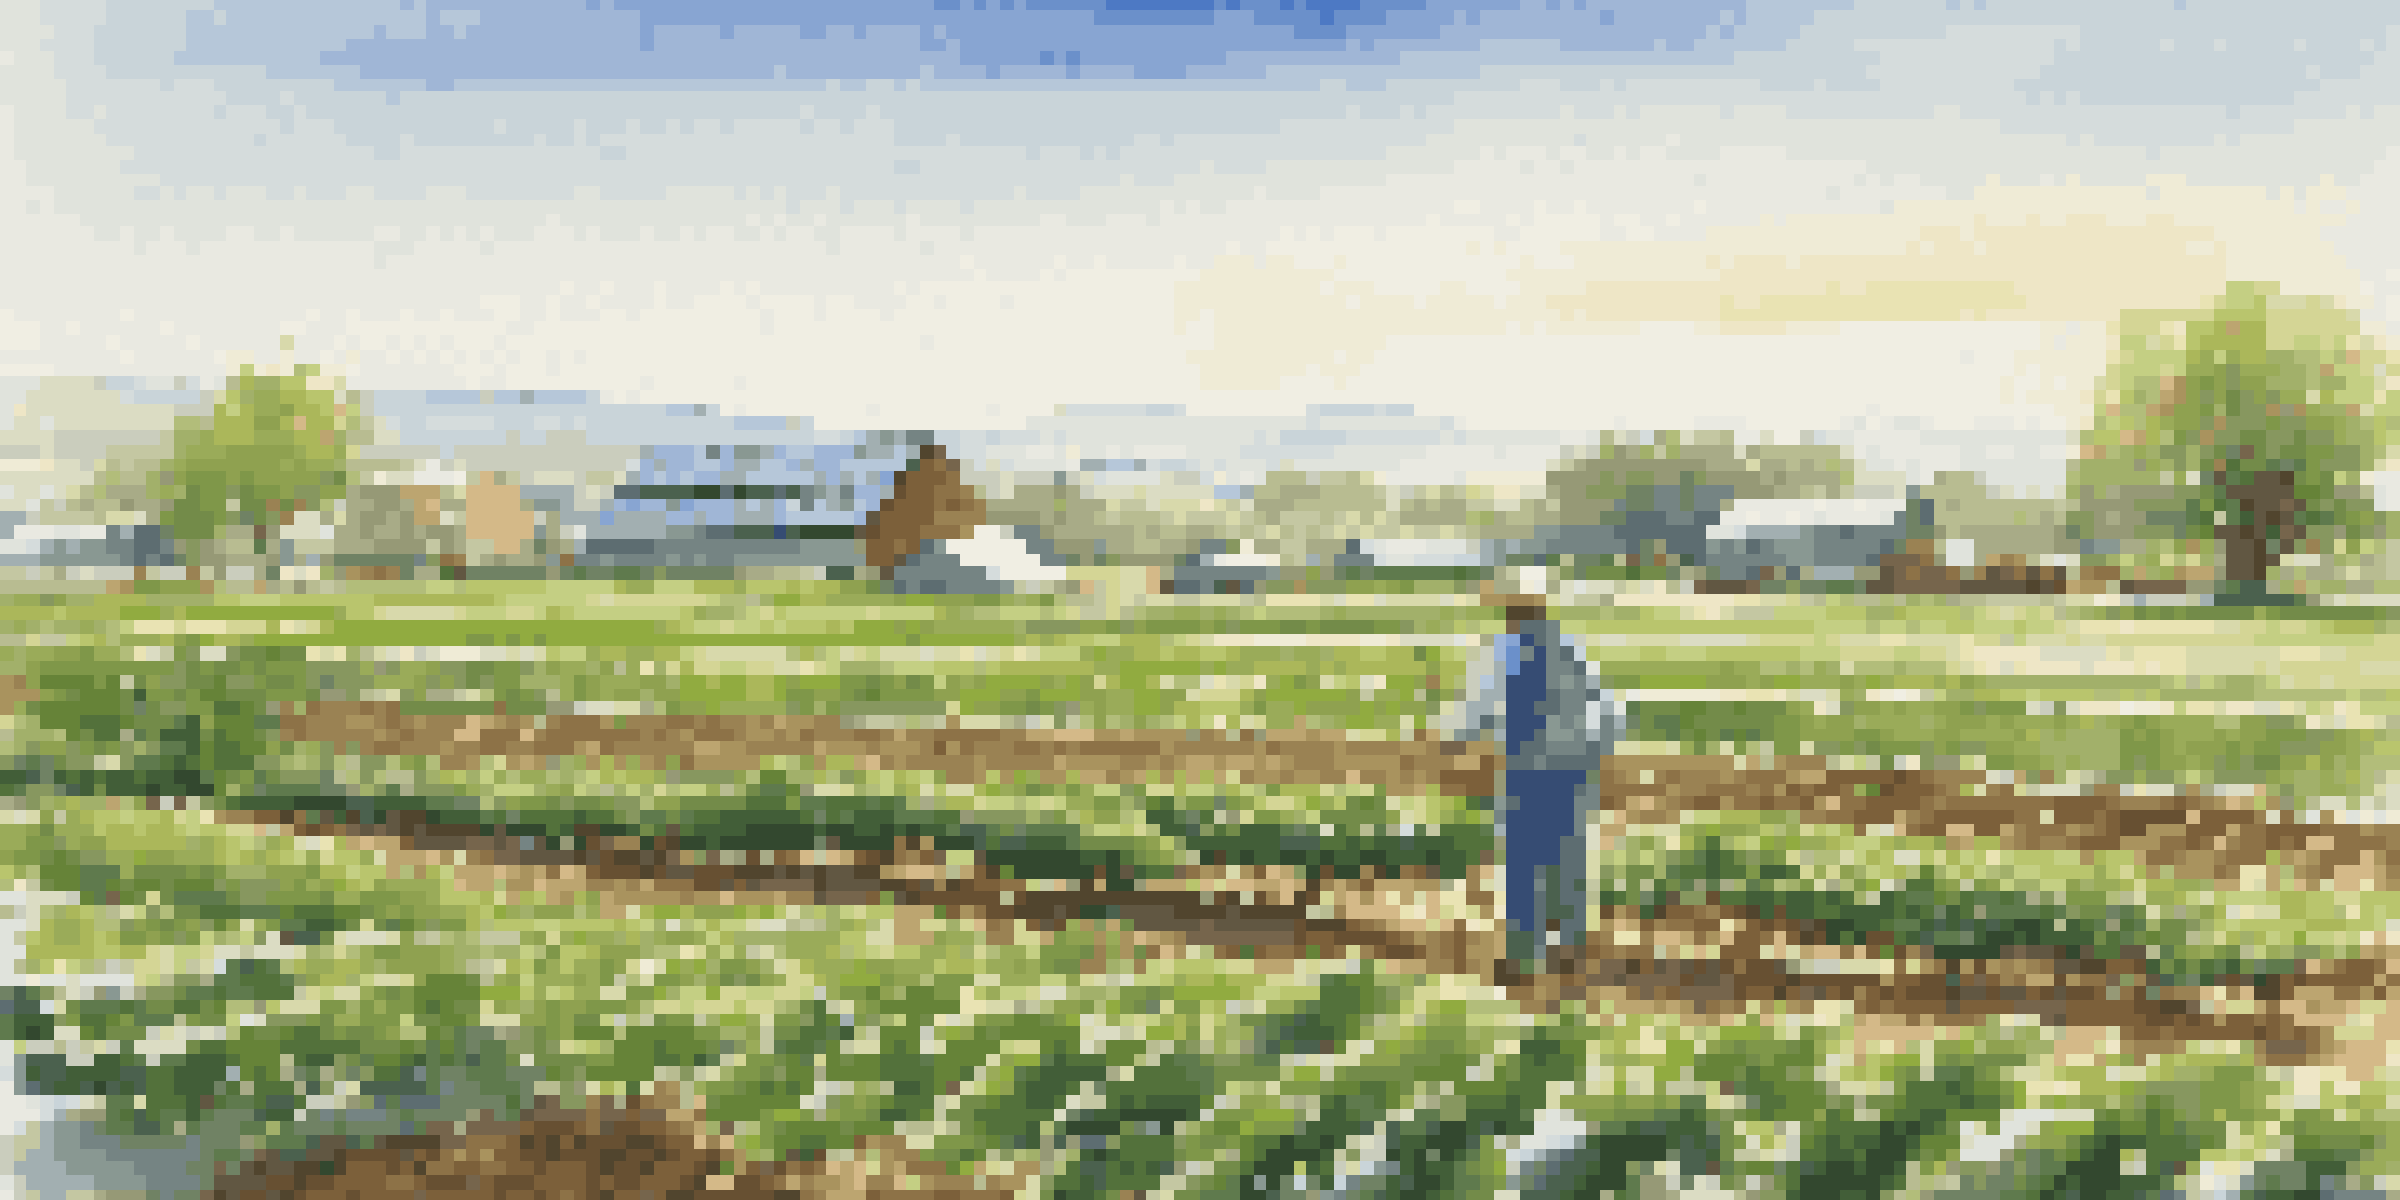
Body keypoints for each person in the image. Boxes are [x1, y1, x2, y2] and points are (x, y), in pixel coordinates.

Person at [1441, 567, 1624, 976]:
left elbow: (1474, 712)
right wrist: (1596, 753)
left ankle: (1526, 952)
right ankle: (1572, 946)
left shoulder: (1503, 652)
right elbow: (1609, 713)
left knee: (1525, 862)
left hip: (1526, 770)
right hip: (1573, 771)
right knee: (1568, 857)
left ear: (1509, 609)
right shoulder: (1569, 647)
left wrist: (1452, 741)